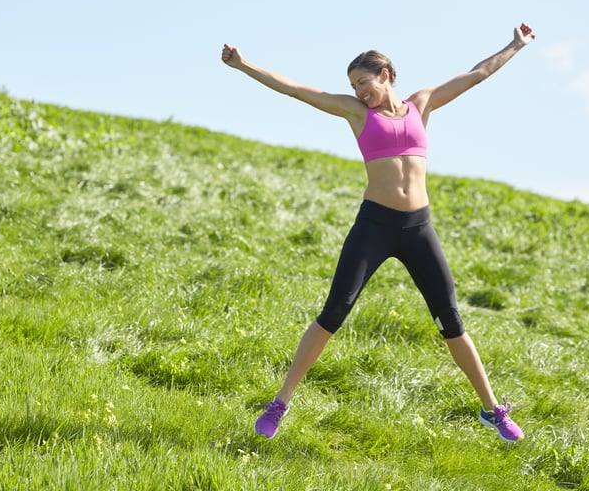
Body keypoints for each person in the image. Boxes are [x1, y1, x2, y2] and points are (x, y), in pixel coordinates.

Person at [221, 23, 535, 443]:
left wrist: (514, 45)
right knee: (335, 311)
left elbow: (477, 74)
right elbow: (296, 89)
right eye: (353, 86)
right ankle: (279, 403)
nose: (358, 92)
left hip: (418, 227)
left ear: (385, 74)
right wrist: (244, 65)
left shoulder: (422, 104)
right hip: (375, 225)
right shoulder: (356, 113)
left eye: (363, 83)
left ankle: (493, 409)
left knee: (451, 320)